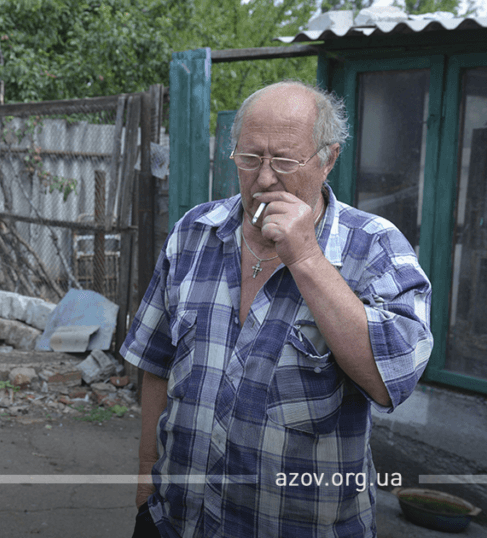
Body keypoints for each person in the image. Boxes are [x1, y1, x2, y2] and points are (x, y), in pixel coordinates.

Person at [122, 81, 433, 537]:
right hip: (175, 520)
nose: (265, 178)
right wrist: (146, 477)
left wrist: (306, 257)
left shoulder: (375, 247)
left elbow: (393, 381)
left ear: (328, 159)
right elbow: (156, 361)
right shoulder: (194, 232)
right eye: (250, 158)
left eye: (285, 161)